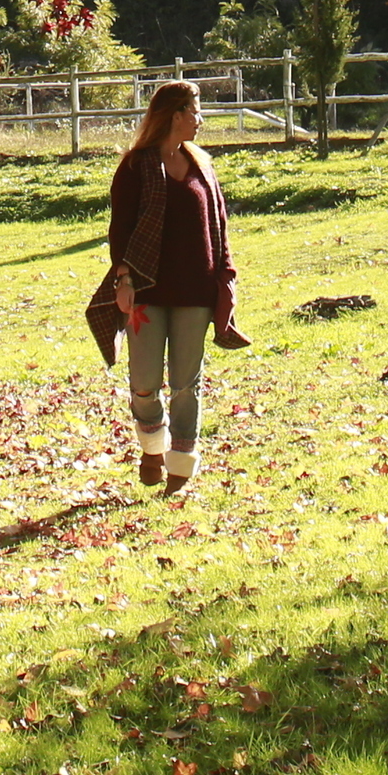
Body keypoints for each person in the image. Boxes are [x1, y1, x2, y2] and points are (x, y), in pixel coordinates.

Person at [106, 78, 241, 494]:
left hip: (195, 293)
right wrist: (123, 280)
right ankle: (151, 447)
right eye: (195, 112)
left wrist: (225, 278)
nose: (199, 120)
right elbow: (121, 230)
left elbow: (219, 227)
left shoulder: (202, 164)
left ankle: (180, 468)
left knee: (187, 384)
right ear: (176, 114)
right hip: (147, 292)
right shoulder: (135, 166)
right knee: (144, 381)